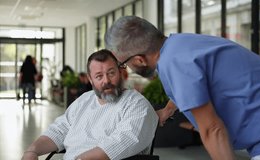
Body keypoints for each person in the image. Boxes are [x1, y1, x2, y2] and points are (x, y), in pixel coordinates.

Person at [104, 15, 260, 160]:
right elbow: (194, 84)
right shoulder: (179, 45)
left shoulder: (175, 64)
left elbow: (213, 129)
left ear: (139, 59)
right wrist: (166, 111)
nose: (126, 68)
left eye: (123, 64)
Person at [21, 49, 158, 160]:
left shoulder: (136, 105)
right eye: (99, 76)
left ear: (120, 73)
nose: (106, 81)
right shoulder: (84, 100)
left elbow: (122, 142)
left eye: (111, 73)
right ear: (90, 80)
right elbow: (59, 130)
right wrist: (32, 151)